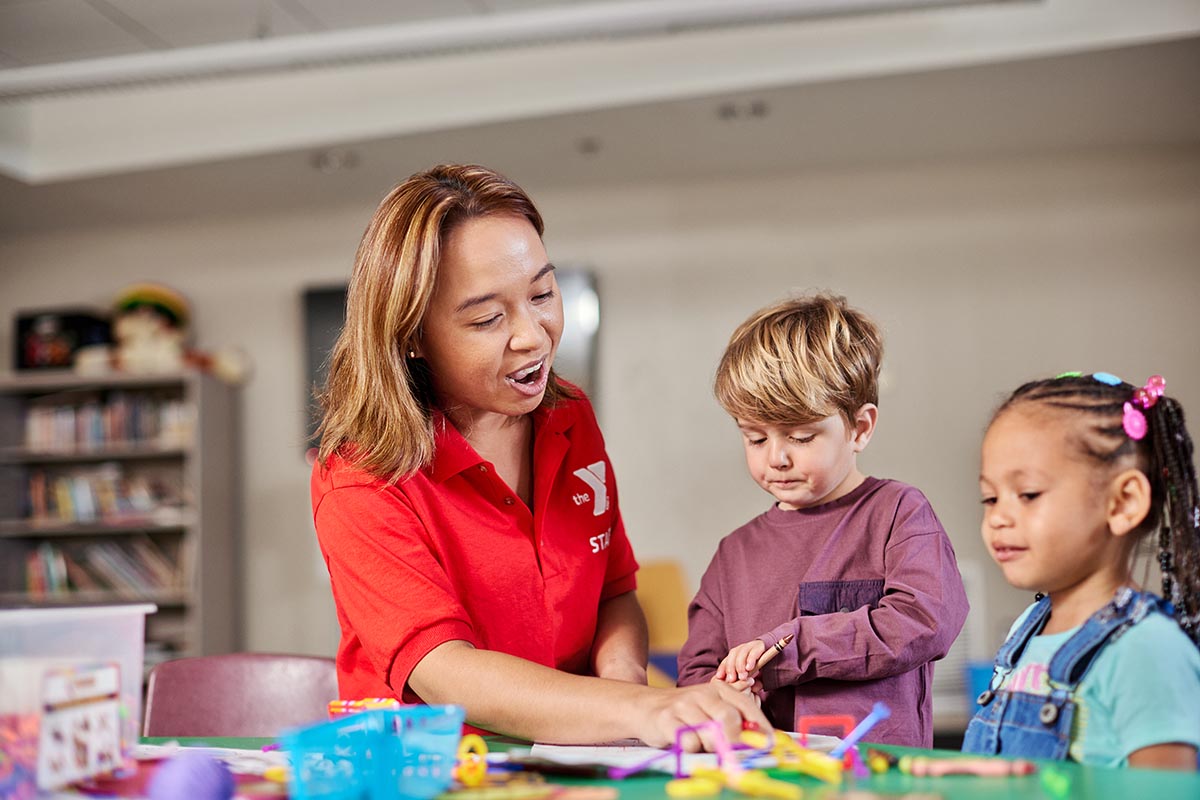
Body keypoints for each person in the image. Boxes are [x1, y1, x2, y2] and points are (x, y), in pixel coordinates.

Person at [311, 163, 769, 750]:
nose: (534, 335)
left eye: (543, 294)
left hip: (578, 757)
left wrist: (627, 696)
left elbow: (614, 591)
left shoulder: (569, 416)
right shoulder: (359, 477)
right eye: (486, 318)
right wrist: (638, 709)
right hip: (434, 769)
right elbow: (442, 668)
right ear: (411, 337)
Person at [676, 294, 969, 746]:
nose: (776, 458)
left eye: (801, 436)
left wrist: (790, 648)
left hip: (879, 782)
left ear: (860, 428)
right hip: (765, 781)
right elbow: (697, 674)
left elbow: (924, 619)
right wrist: (725, 695)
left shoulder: (898, 513)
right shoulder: (733, 553)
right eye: (755, 438)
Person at [963, 372, 1200, 770]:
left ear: (1123, 503)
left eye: (1028, 494)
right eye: (990, 497)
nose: (998, 517)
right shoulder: (1029, 627)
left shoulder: (1147, 650)